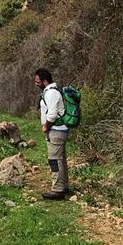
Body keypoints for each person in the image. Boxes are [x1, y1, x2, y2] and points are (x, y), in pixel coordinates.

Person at [35, 68, 68, 200]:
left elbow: (52, 114)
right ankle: (63, 186)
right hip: (58, 130)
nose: (36, 83)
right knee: (60, 159)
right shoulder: (51, 92)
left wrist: (45, 126)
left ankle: (58, 190)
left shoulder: (51, 93)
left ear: (44, 81)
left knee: (54, 160)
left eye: (37, 81)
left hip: (56, 130)